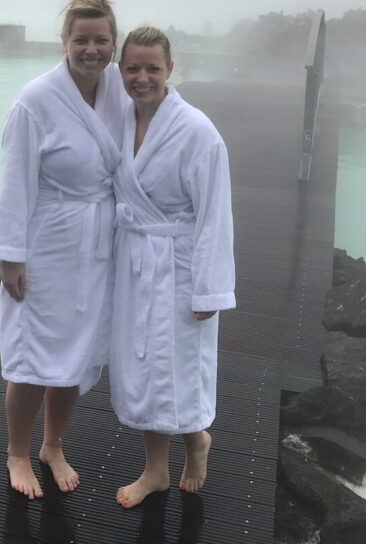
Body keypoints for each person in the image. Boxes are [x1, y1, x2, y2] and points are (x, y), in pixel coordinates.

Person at [0, 0, 126, 499]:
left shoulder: (117, 90)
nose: (91, 50)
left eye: (101, 40)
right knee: (33, 357)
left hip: (96, 244)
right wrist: (9, 257)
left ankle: (53, 444)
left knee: (76, 353)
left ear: (112, 43)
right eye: (81, 40)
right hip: (47, 244)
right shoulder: (34, 102)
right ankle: (17, 452)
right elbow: (15, 182)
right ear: (64, 43)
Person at [109, 26, 235, 509]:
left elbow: (214, 215)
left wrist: (209, 291)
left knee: (178, 365)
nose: (142, 78)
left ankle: (196, 441)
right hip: (136, 259)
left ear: (170, 70)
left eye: (152, 69)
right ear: (121, 71)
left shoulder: (198, 131)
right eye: (133, 68)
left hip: (180, 265)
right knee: (144, 367)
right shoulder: (120, 119)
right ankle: (156, 470)